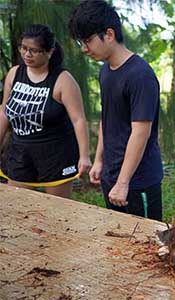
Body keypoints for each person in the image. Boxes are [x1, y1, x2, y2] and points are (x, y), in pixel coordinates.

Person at [68, 0, 163, 220]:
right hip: (111, 175)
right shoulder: (106, 71)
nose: (84, 49)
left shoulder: (141, 75)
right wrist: (99, 159)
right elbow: (107, 118)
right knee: (118, 242)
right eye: (81, 42)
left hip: (138, 181)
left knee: (147, 245)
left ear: (109, 34)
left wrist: (123, 182)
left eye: (88, 41)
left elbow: (141, 132)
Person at [0, 24, 91, 198]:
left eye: (34, 50)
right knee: (18, 206)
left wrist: (84, 156)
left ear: (49, 52)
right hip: (21, 154)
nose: (27, 54)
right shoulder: (14, 73)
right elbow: (4, 111)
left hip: (55, 156)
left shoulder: (63, 80)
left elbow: (78, 120)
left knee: (57, 211)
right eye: (24, 48)